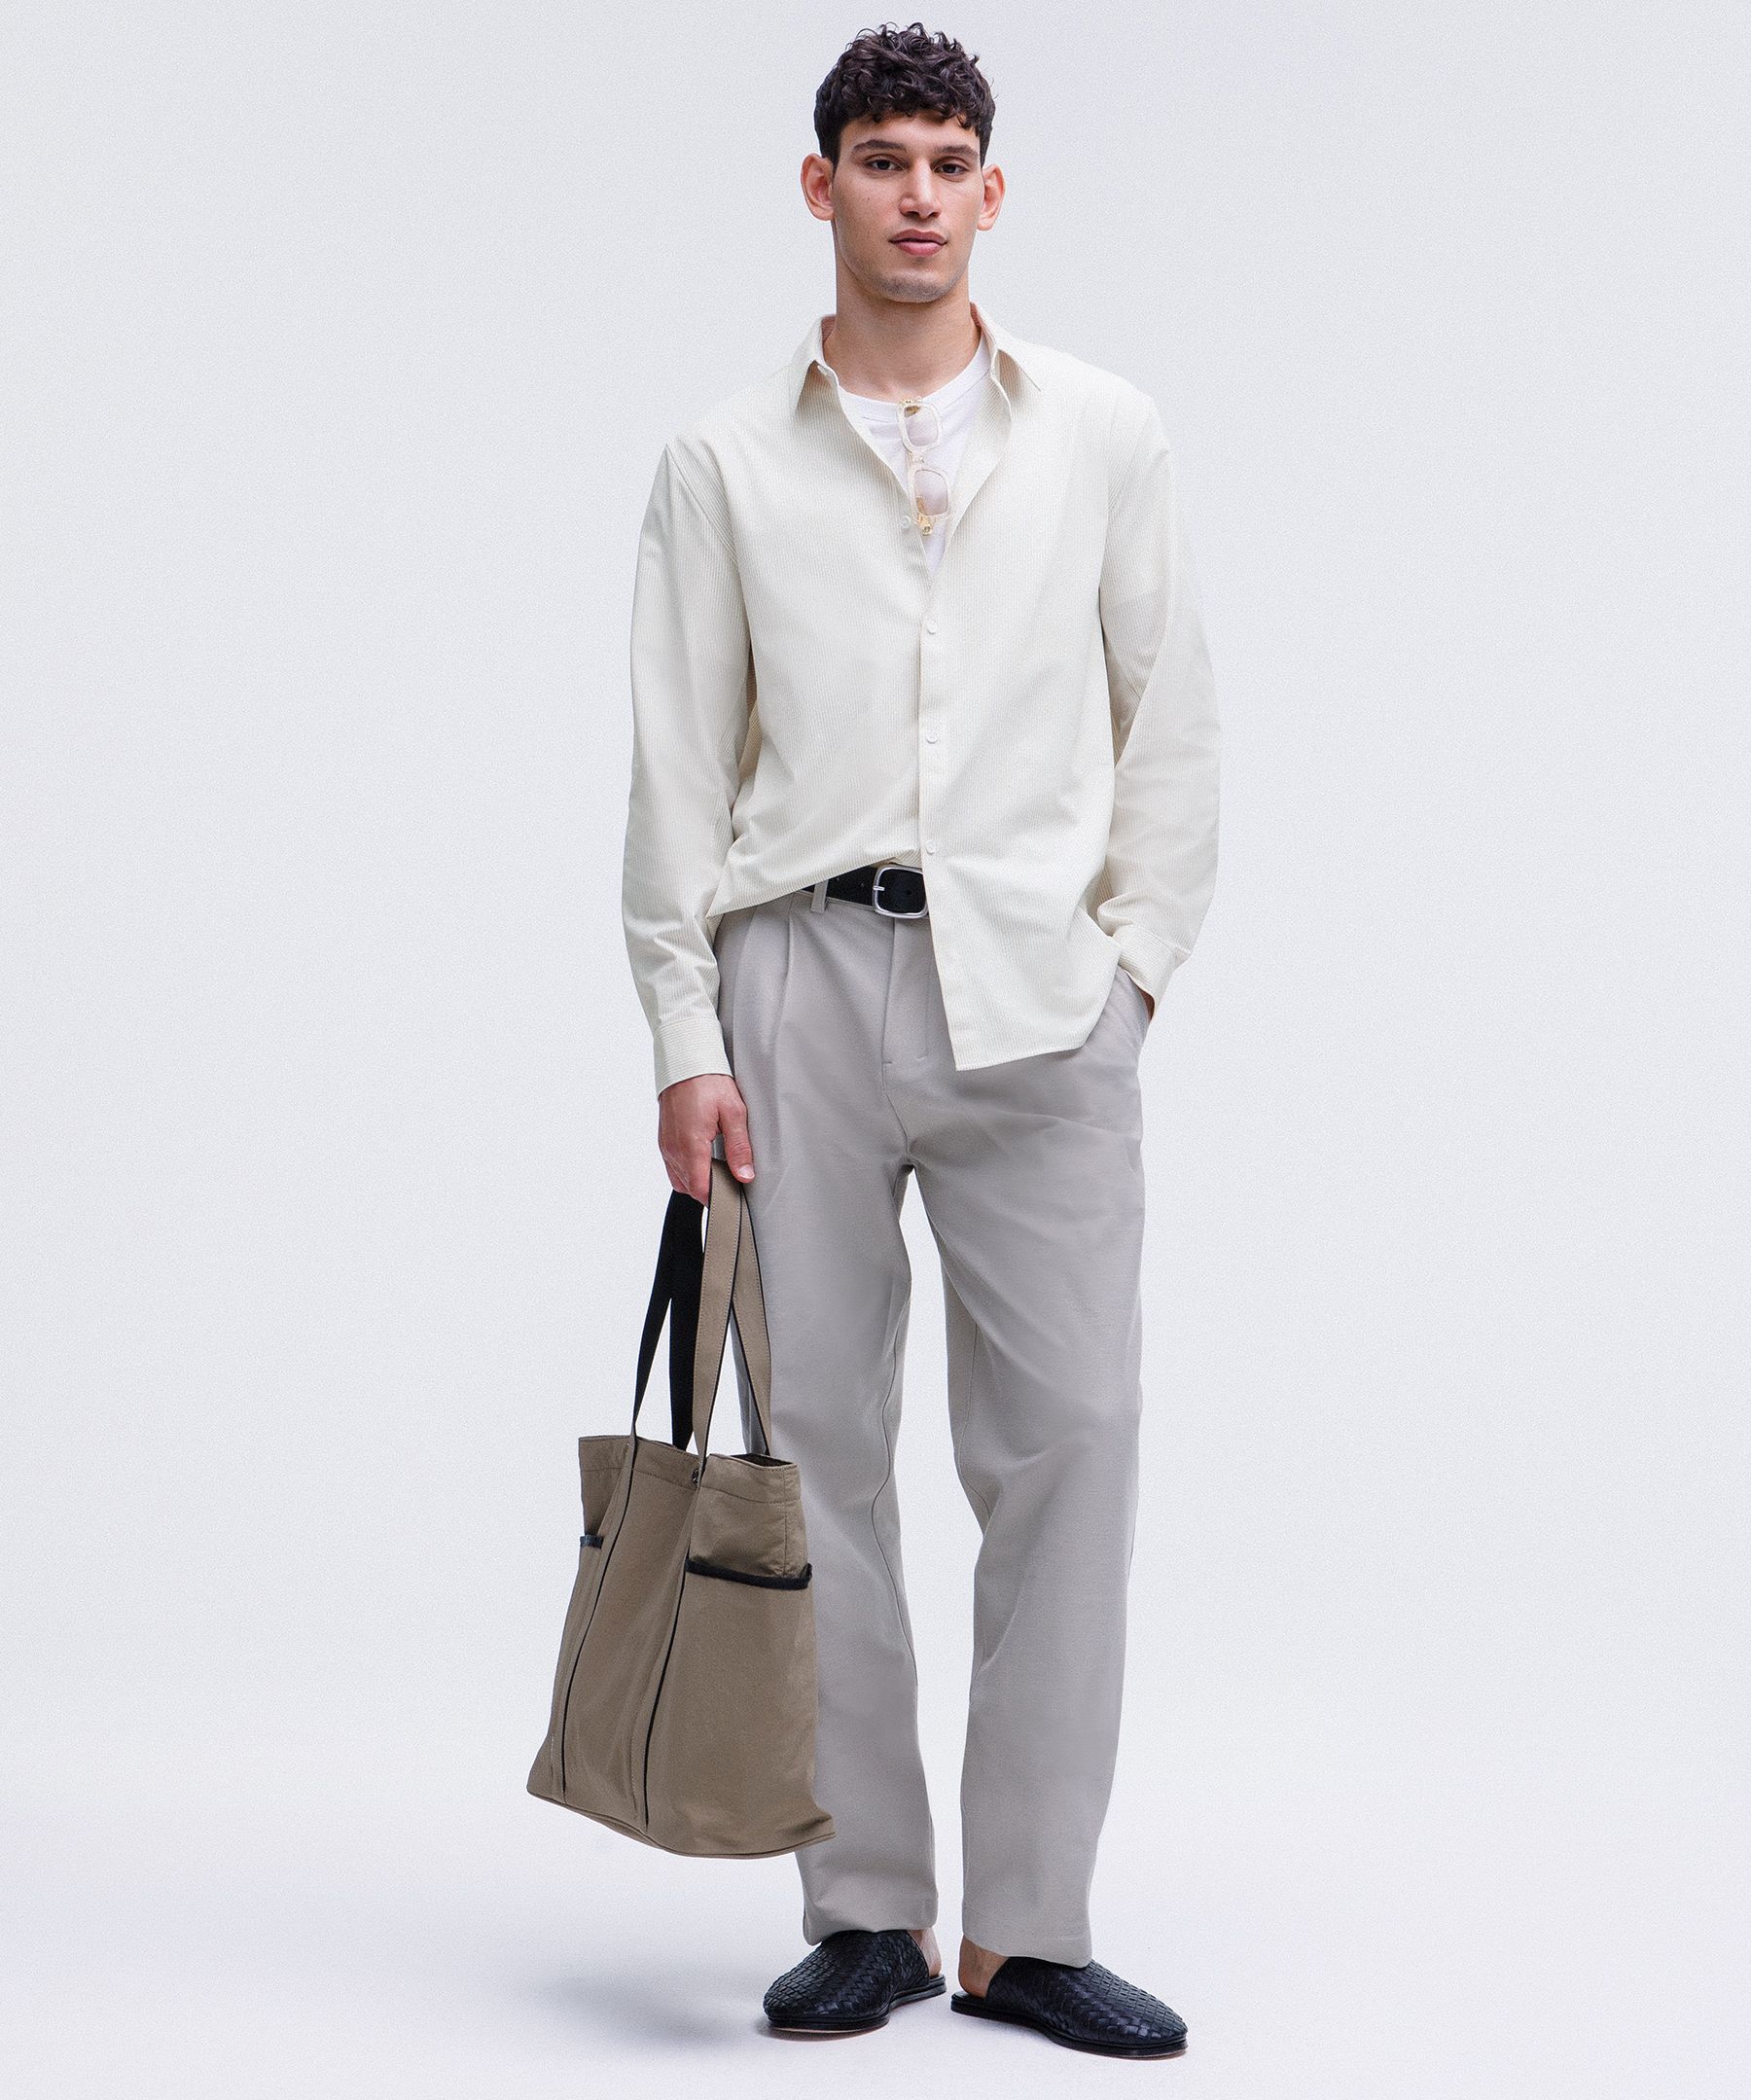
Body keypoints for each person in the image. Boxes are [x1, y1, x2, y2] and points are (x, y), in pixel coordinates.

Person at [620, 21, 1218, 2061]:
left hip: (1042, 1001)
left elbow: (1173, 723)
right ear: (824, 187)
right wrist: (686, 1030)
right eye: (883, 159)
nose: (919, 194)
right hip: (798, 983)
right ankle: (866, 1906)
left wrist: (1135, 972)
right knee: (817, 1455)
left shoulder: (1103, 434)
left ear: (992, 191)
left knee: (1075, 1448)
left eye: (952, 161)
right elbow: (677, 770)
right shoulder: (724, 462)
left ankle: (1028, 1928)